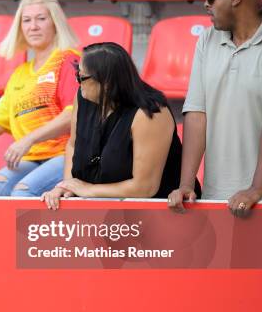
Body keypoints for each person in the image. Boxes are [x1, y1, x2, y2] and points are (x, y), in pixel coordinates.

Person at [41, 42, 201, 209]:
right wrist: (67, 187)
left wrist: (88, 190)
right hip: (106, 209)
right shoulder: (83, 96)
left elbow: (145, 187)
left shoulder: (150, 113)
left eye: (81, 77)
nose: (78, 82)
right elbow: (73, 145)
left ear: (106, 82)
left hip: (160, 212)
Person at [168, 0, 262, 217]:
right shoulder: (207, 39)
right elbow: (197, 113)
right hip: (217, 194)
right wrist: (187, 184)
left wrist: (256, 189)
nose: (206, 3)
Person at [0, 0, 80, 197]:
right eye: (26, 20)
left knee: (23, 192)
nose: (33, 26)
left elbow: (73, 115)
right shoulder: (19, 74)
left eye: (41, 19)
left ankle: (34, 231)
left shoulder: (69, 60)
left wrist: (28, 140)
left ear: (55, 22)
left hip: (68, 155)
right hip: (32, 158)